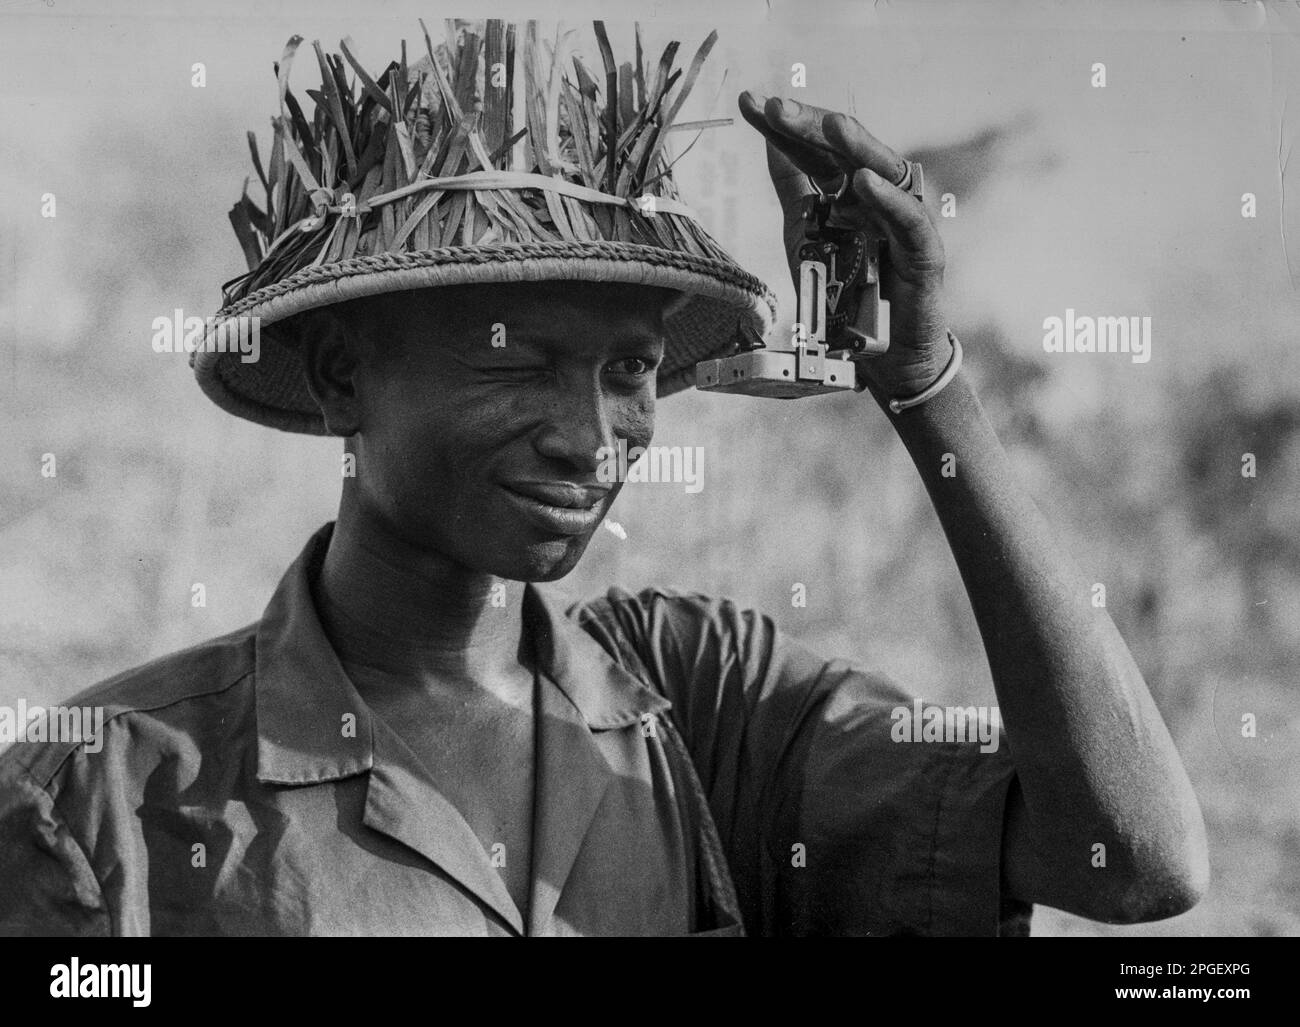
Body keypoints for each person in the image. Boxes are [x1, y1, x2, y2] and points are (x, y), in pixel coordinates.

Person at [0, 20, 1207, 936]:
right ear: (337, 376)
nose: (592, 434)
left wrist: (924, 384)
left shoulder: (701, 706)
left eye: (629, 367)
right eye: (515, 358)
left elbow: (1131, 856)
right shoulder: (105, 792)